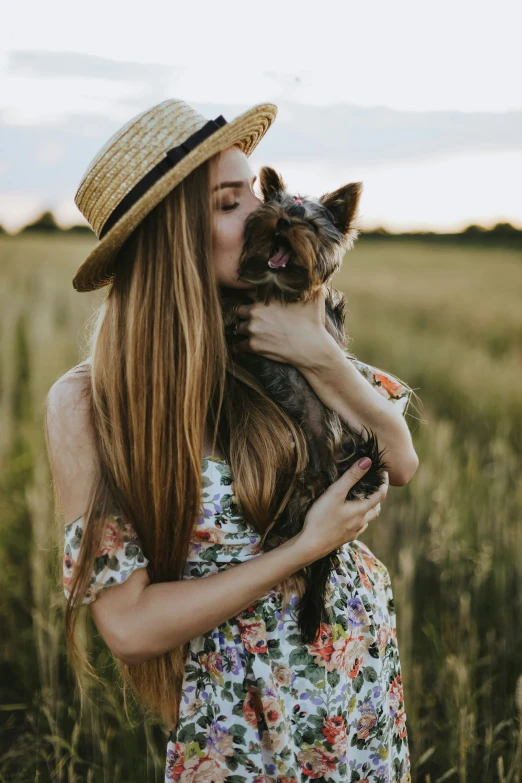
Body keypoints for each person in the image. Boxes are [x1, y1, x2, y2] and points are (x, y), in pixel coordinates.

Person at [45, 98, 419, 783]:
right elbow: (127, 628)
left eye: (253, 191)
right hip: (236, 710)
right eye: (228, 202)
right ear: (171, 236)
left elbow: (401, 458)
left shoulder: (277, 334)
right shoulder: (86, 404)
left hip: (353, 670)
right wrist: (305, 548)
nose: (262, 212)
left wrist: (322, 354)